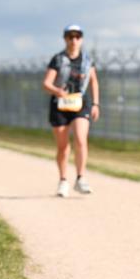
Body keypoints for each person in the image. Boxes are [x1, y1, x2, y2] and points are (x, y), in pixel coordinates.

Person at [41, 24, 101, 197]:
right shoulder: (58, 59)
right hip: (60, 104)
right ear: (65, 39)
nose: (74, 40)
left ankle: (81, 178)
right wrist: (57, 91)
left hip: (80, 102)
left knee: (81, 139)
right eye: (70, 36)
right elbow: (46, 83)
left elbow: (94, 81)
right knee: (63, 146)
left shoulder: (88, 60)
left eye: (77, 36)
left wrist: (96, 104)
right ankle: (63, 180)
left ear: (81, 39)